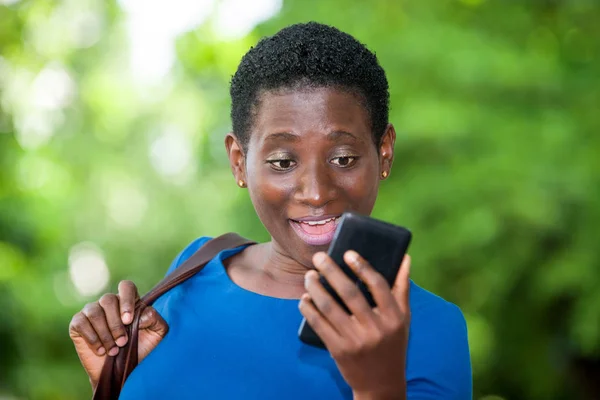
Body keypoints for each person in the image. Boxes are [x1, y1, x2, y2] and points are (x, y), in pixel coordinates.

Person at [69, 22, 472, 399]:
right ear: (239, 161)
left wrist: (377, 386)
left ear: (384, 152)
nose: (315, 193)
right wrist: (115, 379)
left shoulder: (432, 328)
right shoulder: (194, 268)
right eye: (282, 161)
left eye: (344, 158)